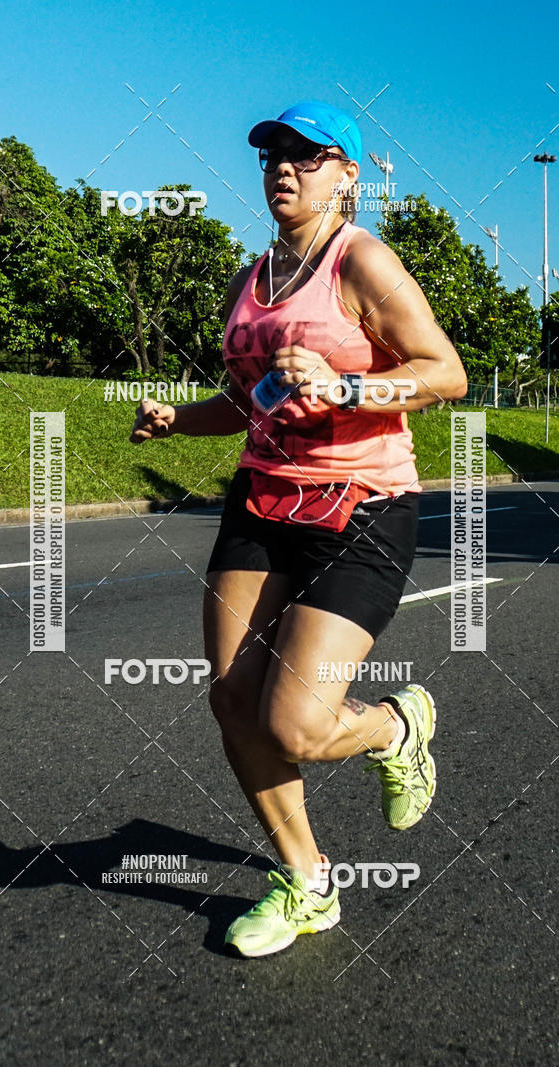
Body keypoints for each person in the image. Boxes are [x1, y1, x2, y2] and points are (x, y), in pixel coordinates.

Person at [130, 100, 468, 958]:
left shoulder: (363, 262)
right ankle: (308, 882)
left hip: (361, 509)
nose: (285, 166)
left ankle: (396, 726)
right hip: (263, 500)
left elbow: (446, 374)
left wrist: (348, 386)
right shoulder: (254, 278)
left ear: (348, 174)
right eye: (273, 153)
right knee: (231, 697)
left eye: (310, 154)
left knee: (299, 726)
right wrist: (180, 421)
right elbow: (252, 402)